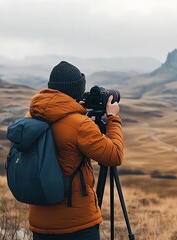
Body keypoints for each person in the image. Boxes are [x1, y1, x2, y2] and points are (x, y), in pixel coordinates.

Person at [27, 61, 124, 240]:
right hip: (76, 225)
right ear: (76, 91)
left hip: (40, 222)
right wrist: (113, 119)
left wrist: (74, 110)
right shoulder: (79, 125)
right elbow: (115, 155)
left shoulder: (33, 115)